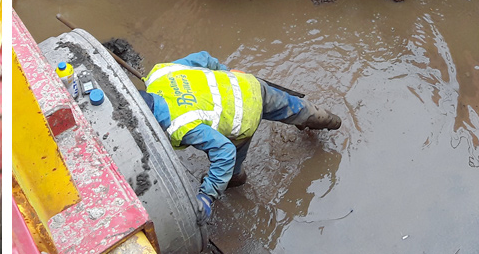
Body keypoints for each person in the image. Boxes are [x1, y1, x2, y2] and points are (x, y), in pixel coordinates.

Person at [140, 50, 342, 222]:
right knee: (294, 108)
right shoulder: (159, 74)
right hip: (247, 84)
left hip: (245, 116)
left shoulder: (180, 125)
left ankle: (236, 177)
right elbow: (202, 57)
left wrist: (207, 195)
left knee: (230, 157)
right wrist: (225, 70)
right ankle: (329, 120)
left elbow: (224, 151)